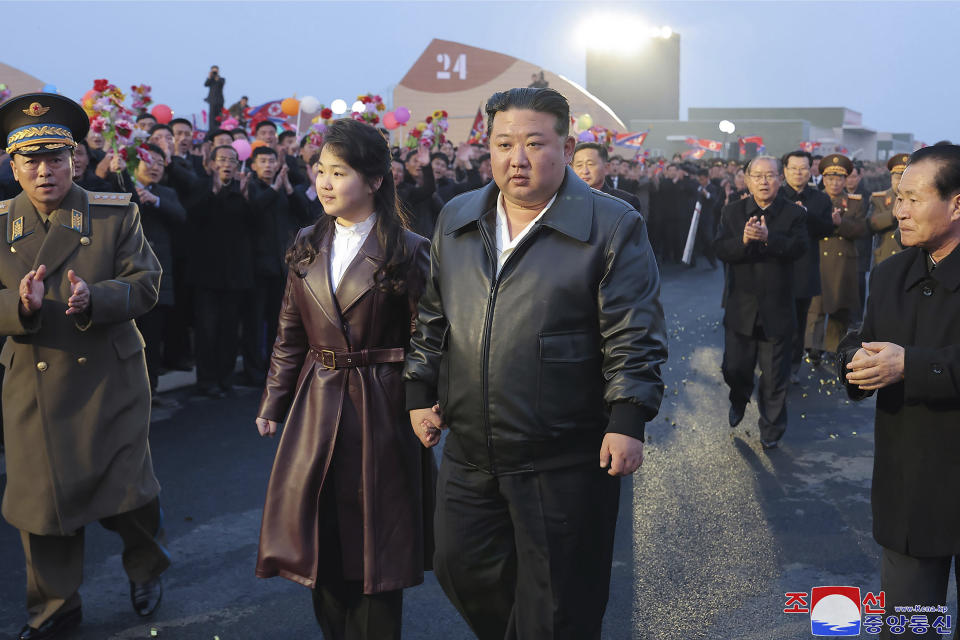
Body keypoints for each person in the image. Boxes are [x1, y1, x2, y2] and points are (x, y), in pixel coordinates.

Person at [404, 87, 667, 639]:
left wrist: (627, 419)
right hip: (471, 447)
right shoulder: (457, 216)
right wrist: (418, 389)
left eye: (533, 143)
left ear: (567, 146)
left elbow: (633, 332)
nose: (516, 159)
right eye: (503, 143)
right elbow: (433, 314)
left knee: (560, 602)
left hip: (564, 453)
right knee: (458, 566)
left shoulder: (611, 225)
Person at [255, 118, 433, 640]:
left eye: (340, 172)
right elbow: (290, 333)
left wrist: (425, 401)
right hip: (317, 403)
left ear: (376, 179)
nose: (325, 183)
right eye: (321, 171)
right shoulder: (307, 242)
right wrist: (273, 401)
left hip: (384, 406)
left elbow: (429, 337)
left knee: (378, 548)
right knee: (322, 538)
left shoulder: (409, 249)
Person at [0, 92, 168, 639]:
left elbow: (147, 285)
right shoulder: (1, 225)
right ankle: (54, 607)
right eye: (31, 160)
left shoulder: (115, 214)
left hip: (109, 380)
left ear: (76, 159)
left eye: (55, 159)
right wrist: (18, 306)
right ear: (13, 163)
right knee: (40, 505)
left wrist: (97, 298)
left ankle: (145, 568)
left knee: (129, 497)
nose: (44, 171)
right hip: (33, 380)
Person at [838, 145, 960, 640]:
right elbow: (862, 339)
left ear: (956, 204)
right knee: (910, 627)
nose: (898, 209)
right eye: (896, 197)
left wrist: (911, 365)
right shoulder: (891, 272)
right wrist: (856, 363)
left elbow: (908, 360)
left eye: (912, 198)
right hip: (911, 493)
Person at [715, 156, 807, 448]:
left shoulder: (794, 214)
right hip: (741, 308)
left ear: (780, 179)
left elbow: (799, 248)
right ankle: (739, 398)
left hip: (777, 309)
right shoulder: (732, 212)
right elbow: (719, 248)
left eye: (770, 176)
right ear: (746, 179)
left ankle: (771, 429)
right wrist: (743, 240)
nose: (764, 181)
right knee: (735, 368)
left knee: (774, 378)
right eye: (758, 176)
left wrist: (769, 238)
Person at [188, 144, 255, 397]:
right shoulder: (200, 187)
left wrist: (249, 197)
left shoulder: (243, 190)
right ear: (211, 163)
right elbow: (191, 218)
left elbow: (255, 224)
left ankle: (225, 379)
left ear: (238, 166)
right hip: (206, 274)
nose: (227, 164)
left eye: (232, 160)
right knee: (207, 330)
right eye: (222, 159)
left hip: (236, 274)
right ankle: (206, 381)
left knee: (229, 330)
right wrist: (213, 193)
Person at [778, 150, 835, 382]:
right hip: (776, 267)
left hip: (804, 268)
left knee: (798, 321)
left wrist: (806, 214)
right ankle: (772, 363)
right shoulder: (776, 195)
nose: (798, 173)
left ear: (811, 170)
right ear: (784, 171)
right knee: (773, 318)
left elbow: (827, 228)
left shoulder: (820, 199)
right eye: (793, 168)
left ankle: (792, 365)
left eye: (803, 169)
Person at [805, 153, 866, 363]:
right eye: (830, 178)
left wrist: (840, 223)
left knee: (840, 309)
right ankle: (813, 347)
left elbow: (860, 229)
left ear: (846, 180)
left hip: (843, 261)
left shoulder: (855, 202)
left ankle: (833, 347)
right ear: (823, 178)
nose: (834, 183)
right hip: (818, 257)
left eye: (839, 178)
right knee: (816, 307)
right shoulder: (814, 198)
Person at [571, 142, 643, 214]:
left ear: (606, 167)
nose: (585, 171)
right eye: (579, 165)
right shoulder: (565, 200)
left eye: (590, 164)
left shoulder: (626, 203)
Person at [869, 153, 909, 267]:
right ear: (891, 178)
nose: (901, 181)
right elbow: (871, 224)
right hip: (885, 256)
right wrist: (891, 214)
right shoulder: (878, 199)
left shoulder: (919, 200)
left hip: (909, 256)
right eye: (898, 177)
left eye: (905, 177)